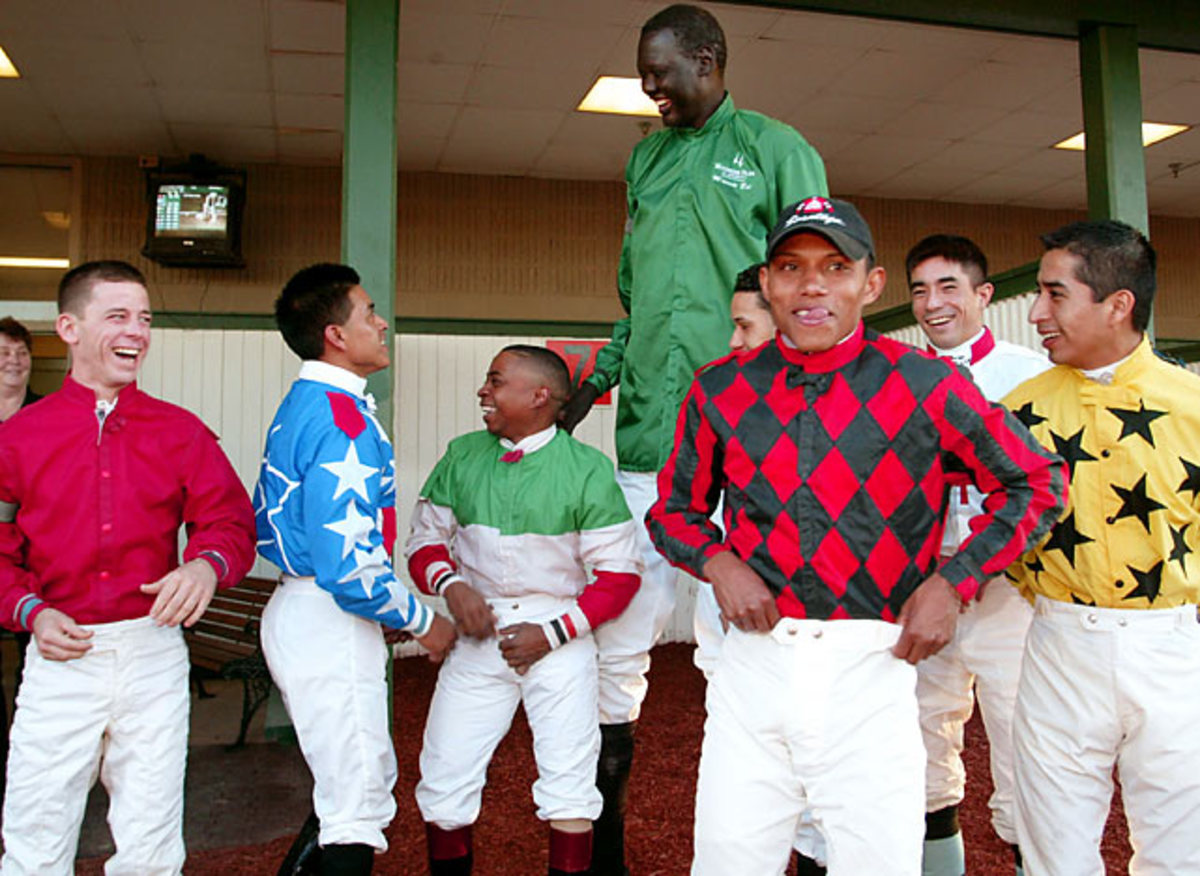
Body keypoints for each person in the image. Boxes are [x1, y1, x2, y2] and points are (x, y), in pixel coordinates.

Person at [646, 197, 1066, 876]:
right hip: (754, 667)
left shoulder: (926, 384)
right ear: (768, 282)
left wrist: (954, 583)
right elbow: (672, 512)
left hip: (875, 665)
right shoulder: (719, 389)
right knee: (727, 862)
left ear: (869, 285)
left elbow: (1036, 483)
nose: (812, 286)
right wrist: (719, 563)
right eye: (791, 267)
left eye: (835, 267)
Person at [557, 7, 828, 869]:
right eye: (643, 75)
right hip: (645, 446)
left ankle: (803, 850)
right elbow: (637, 305)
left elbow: (815, 293)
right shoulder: (645, 156)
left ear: (707, 61)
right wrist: (588, 384)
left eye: (661, 73)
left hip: (747, 452)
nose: (650, 89)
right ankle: (603, 850)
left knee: (757, 654)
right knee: (615, 645)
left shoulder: (779, 149)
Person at [0, 260, 256, 875]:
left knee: (151, 839)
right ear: (68, 327)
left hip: (153, 651)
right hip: (60, 657)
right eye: (117, 316)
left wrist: (203, 569)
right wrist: (29, 611)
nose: (136, 332)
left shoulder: (181, 431)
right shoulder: (18, 438)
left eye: (143, 319)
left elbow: (231, 524)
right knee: (35, 833)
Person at [1005, 220, 1200, 876]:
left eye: (1054, 295)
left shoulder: (1194, 406)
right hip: (1059, 645)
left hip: (1172, 651)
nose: (1036, 313)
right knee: (1054, 853)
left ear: (1118, 304)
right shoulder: (1015, 413)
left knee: (1181, 849)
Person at [405, 345, 642, 876]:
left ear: (540, 396)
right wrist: (451, 587)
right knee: (444, 778)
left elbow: (621, 577)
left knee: (569, 788)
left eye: (495, 381)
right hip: (478, 636)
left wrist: (554, 633)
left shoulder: (586, 469)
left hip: (558, 636)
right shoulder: (462, 454)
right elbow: (423, 542)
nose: (482, 392)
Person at [254, 263, 456, 875]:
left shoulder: (306, 402)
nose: (382, 323)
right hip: (327, 613)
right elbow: (349, 569)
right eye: (369, 313)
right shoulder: (341, 419)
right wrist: (426, 621)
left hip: (307, 607)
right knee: (356, 805)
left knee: (343, 795)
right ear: (335, 335)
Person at [906, 235, 1050, 876]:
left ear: (983, 295)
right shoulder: (899, 377)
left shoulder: (1031, 374)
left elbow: (1049, 487)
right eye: (919, 290)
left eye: (948, 287)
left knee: (1024, 743)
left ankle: (1029, 860)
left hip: (1008, 590)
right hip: (924, 587)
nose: (933, 304)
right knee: (922, 741)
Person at [0, 315, 43, 791]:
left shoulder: (44, 417)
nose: (13, 361)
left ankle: (27, 767)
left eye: (21, 353)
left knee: (33, 671)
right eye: (4, 353)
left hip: (36, 567)